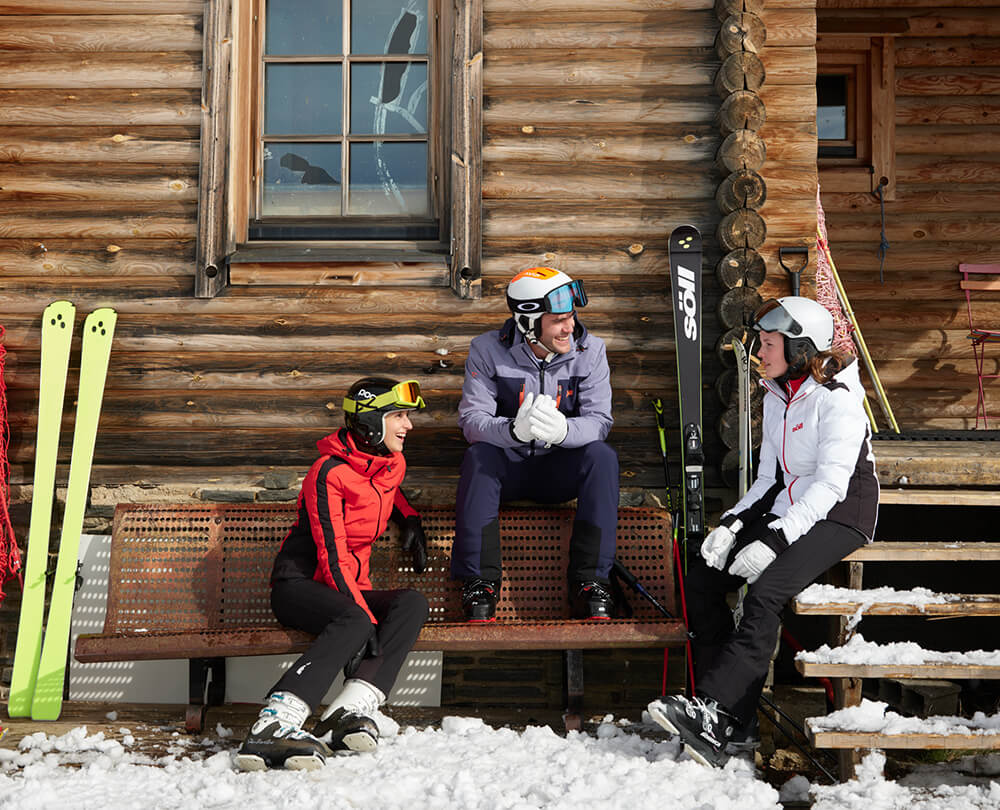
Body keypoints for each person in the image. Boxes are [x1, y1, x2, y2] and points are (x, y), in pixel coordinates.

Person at [647, 296, 878, 767]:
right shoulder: (777, 395)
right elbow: (770, 479)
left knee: (765, 592)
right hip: (791, 502)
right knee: (704, 581)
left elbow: (831, 485)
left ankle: (712, 710)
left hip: (841, 511)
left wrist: (774, 540)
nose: (760, 353)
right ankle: (735, 722)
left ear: (799, 349)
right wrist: (732, 524)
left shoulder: (840, 402)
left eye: (769, 344)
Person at [236, 377, 430, 771]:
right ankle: (273, 724)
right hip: (299, 584)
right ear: (372, 422)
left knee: (411, 603)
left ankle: (347, 710)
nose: (408, 425)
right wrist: (367, 618)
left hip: (345, 589)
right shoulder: (326, 473)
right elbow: (332, 554)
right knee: (355, 619)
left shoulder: (392, 461)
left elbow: (383, 486)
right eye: (398, 416)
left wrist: (408, 516)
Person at [451, 266, 619, 622]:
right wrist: (513, 431)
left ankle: (591, 582)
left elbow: (600, 421)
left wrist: (563, 433)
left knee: (601, 458)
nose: (569, 327)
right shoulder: (487, 350)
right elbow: (472, 420)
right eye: (559, 320)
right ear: (529, 322)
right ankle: (479, 583)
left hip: (560, 470)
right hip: (506, 470)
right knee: (478, 456)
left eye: (571, 316)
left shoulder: (591, 351)